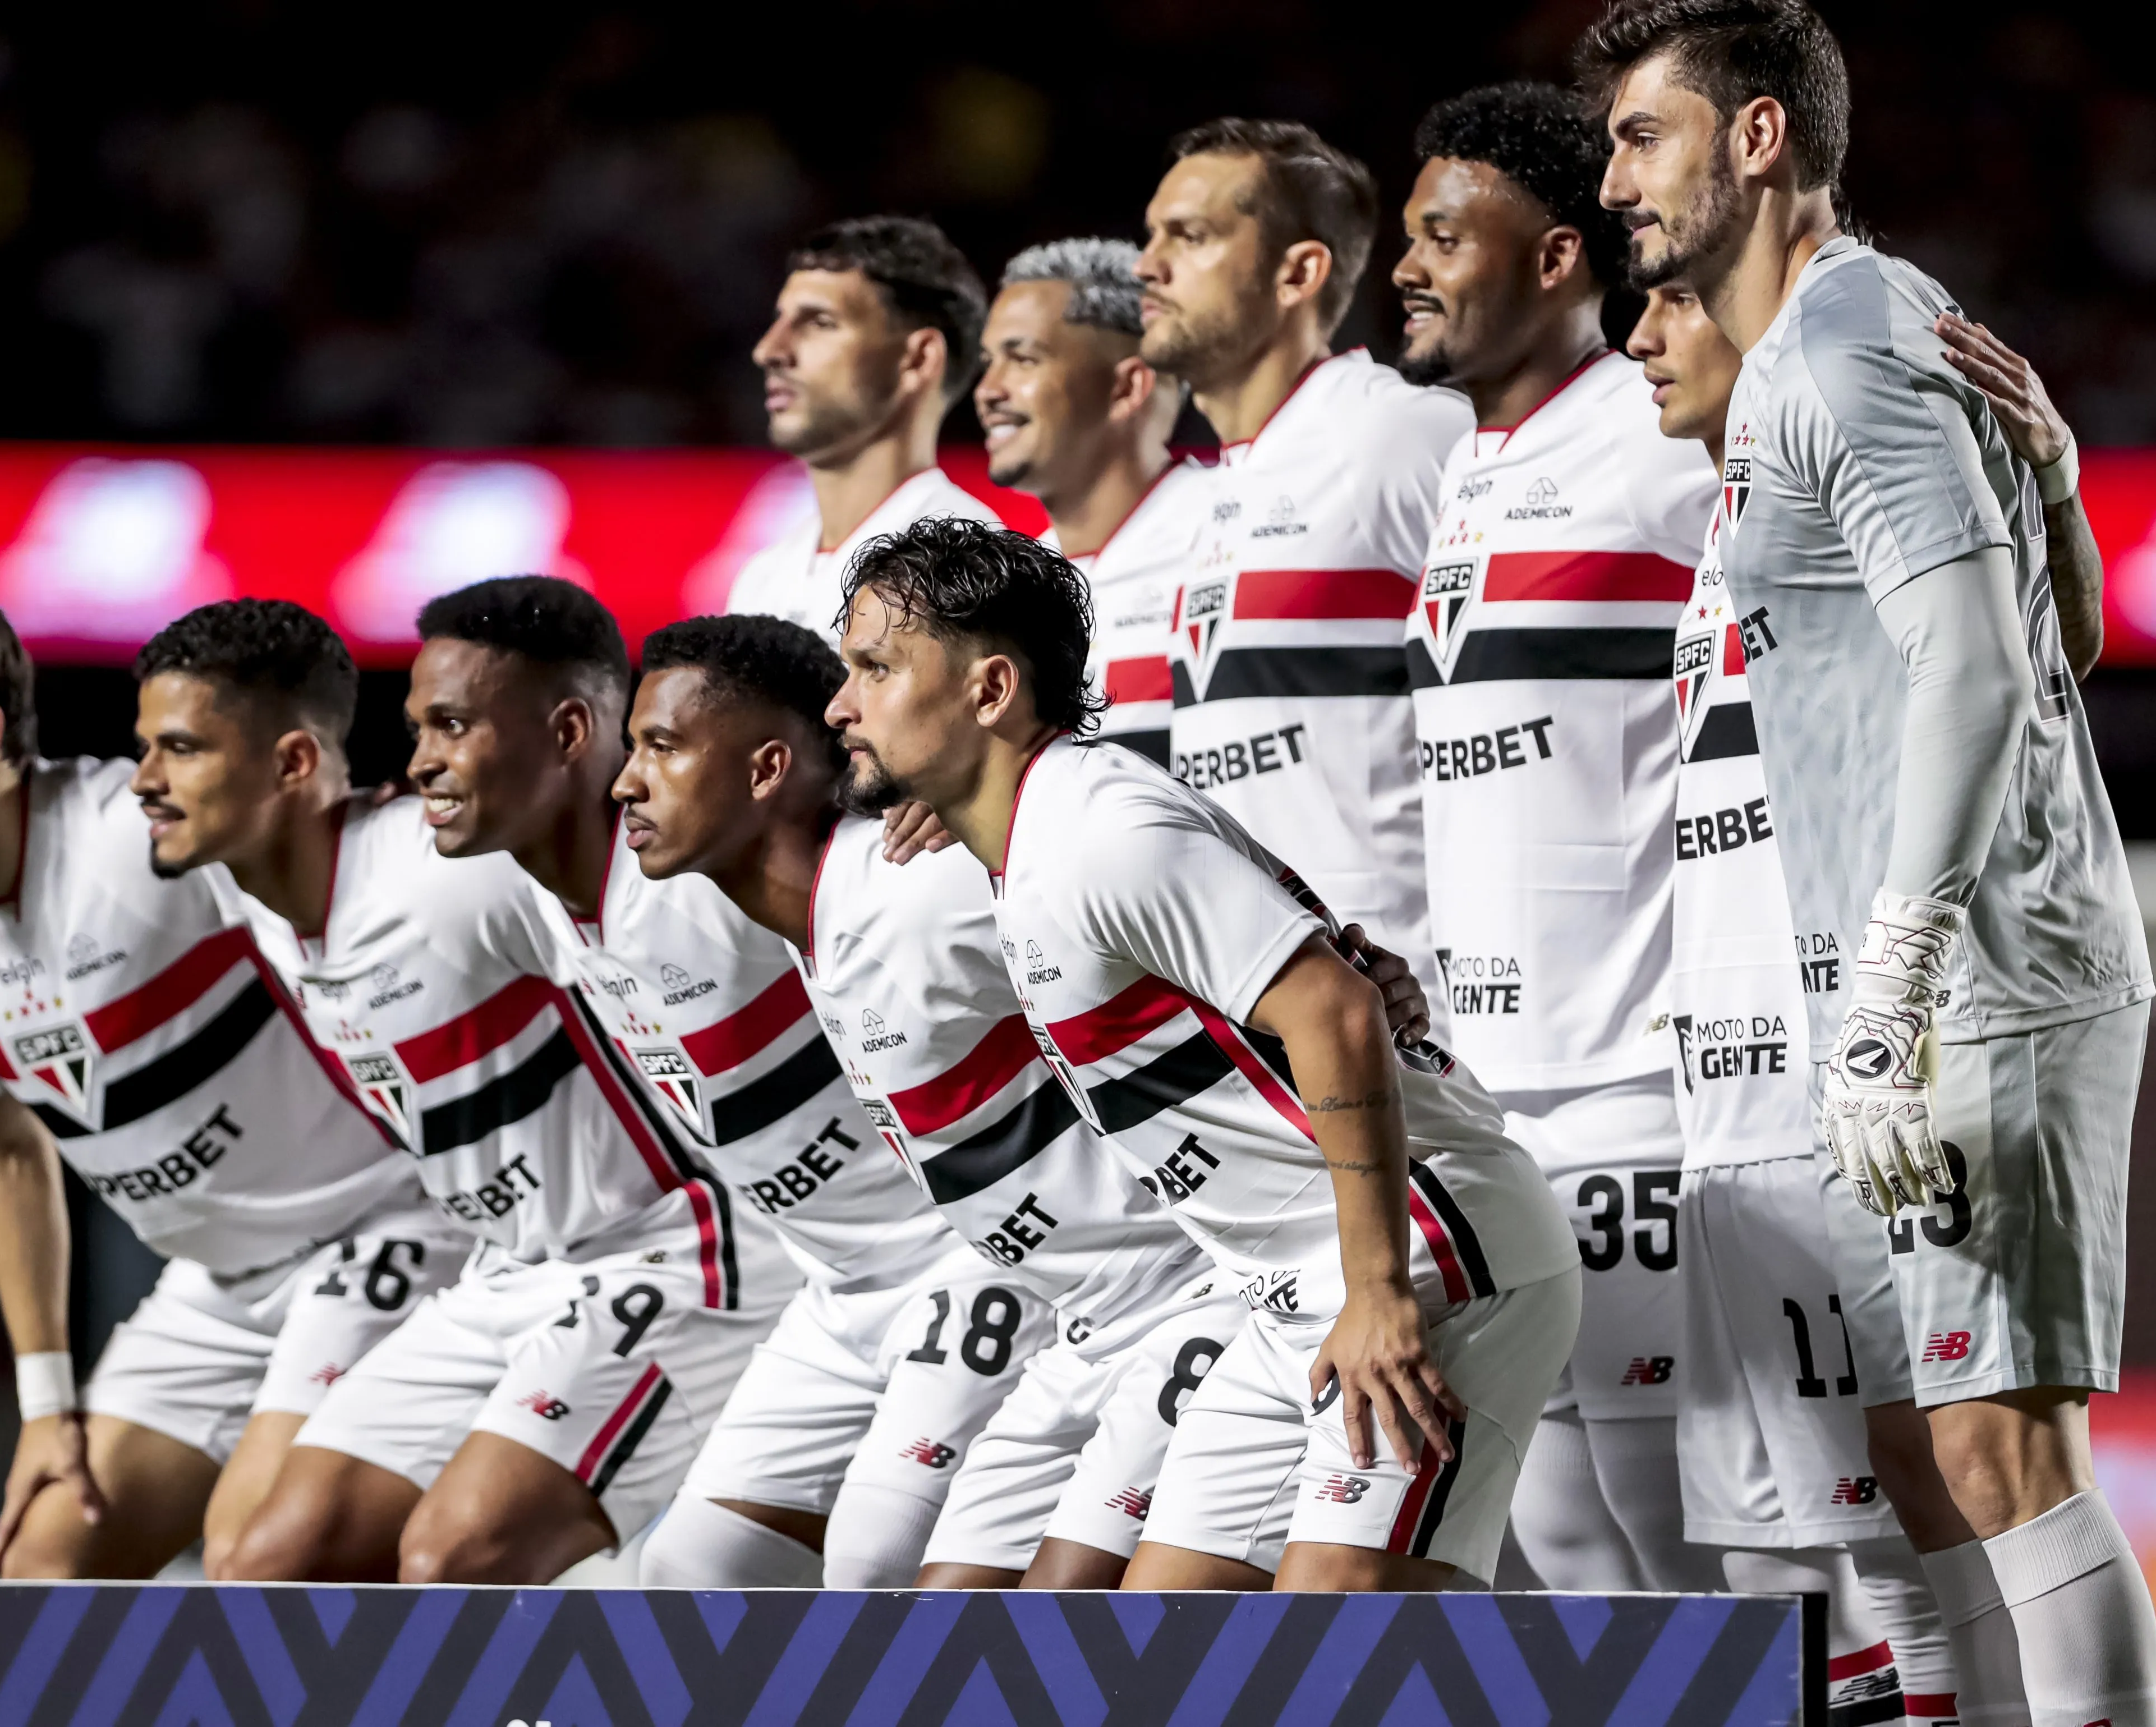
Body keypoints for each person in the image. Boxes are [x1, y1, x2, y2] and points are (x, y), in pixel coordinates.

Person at [1587, 6, 2156, 1724]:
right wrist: (2054, 492)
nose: (1616, 180)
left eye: (1641, 136)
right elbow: (2061, 645)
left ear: (1757, 141)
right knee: (1924, 1448)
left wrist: (1891, 986)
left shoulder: (1842, 349)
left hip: (1981, 976)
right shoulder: (1806, 368)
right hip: (1919, 985)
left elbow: (1982, 674)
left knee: (2002, 1446)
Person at [830, 516, 1577, 1592]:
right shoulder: (1037, 834)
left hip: (1425, 1262)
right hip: (1285, 1299)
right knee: (1158, 1656)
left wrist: (1375, 1289)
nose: (841, 704)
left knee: (1341, 1650)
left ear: (989, 691)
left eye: (874, 668)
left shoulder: (1098, 835)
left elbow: (1340, 1015)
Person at [112, 599, 794, 1585]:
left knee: (455, 1552)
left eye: (178, 749)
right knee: (268, 1559)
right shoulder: (250, 898)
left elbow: (643, 848)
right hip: (499, 1272)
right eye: (418, 729)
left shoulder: (451, 873)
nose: (145, 782)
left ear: (295, 764)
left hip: (656, 1248)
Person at [0, 577, 448, 1580]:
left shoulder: (133, 835)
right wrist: (47, 1401)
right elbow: (3, 1146)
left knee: (254, 1556)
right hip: (213, 1288)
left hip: (381, 1229)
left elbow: (328, 847)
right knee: (40, 1568)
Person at [610, 614, 1239, 1590]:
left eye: (660, 747)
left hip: (1196, 1289)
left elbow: (1161, 868)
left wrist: (988, 807)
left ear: (767, 769)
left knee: (966, 1597)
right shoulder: (805, 912)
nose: (627, 782)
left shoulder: (923, 883)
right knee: (926, 1617)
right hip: (1077, 1318)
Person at [390, 577, 973, 1589]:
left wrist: (946, 791)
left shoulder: (718, 871)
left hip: (959, 1261)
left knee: (885, 1567)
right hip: (835, 1291)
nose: (424, 761)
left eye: (452, 724)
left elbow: (837, 821)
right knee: (689, 1581)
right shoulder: (527, 898)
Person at [1391, 81, 1719, 1600]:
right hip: (1496, 1095)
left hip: (1638, 1076)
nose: (1409, 264)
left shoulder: (1664, 439)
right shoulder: (1466, 471)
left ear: (1557, 256)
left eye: (1446, 234)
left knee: (1687, 1537)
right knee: (1570, 1539)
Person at [1633, 281, 1956, 1727]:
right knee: (1784, 1553)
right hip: (1719, 1109)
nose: (1638, 335)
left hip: (1824, 1098)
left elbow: (1988, 679)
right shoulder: (1715, 537)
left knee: (1895, 1541)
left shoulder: (1829, 502)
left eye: (1671, 305)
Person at [1143, 118, 1474, 1005]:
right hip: (1274, 1021)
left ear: (1300, 272)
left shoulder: (1401, 431)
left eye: (1192, 236)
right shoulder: (1214, 490)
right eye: (1151, 236)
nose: (1148, 264)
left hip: (1421, 1025)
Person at [974, 238, 1203, 763]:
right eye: (989, 362)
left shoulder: (1228, 540)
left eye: (1023, 359)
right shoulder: (1007, 593)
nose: (987, 390)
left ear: (1126, 388)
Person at [728, 217, 1001, 633]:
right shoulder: (762, 579)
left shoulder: (979, 572)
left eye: (820, 322)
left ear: (918, 358)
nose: (769, 350)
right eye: (779, 320)